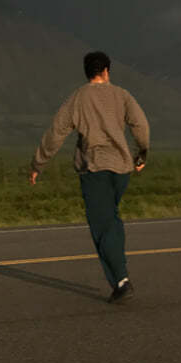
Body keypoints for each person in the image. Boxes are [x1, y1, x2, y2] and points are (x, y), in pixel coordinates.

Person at [28, 50, 150, 303]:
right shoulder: (122, 95)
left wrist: (38, 163)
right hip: (121, 169)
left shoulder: (78, 98)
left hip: (94, 169)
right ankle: (120, 273)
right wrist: (142, 155)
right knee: (112, 219)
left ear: (87, 72)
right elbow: (141, 125)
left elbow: (56, 133)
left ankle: (121, 280)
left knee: (102, 225)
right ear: (106, 71)